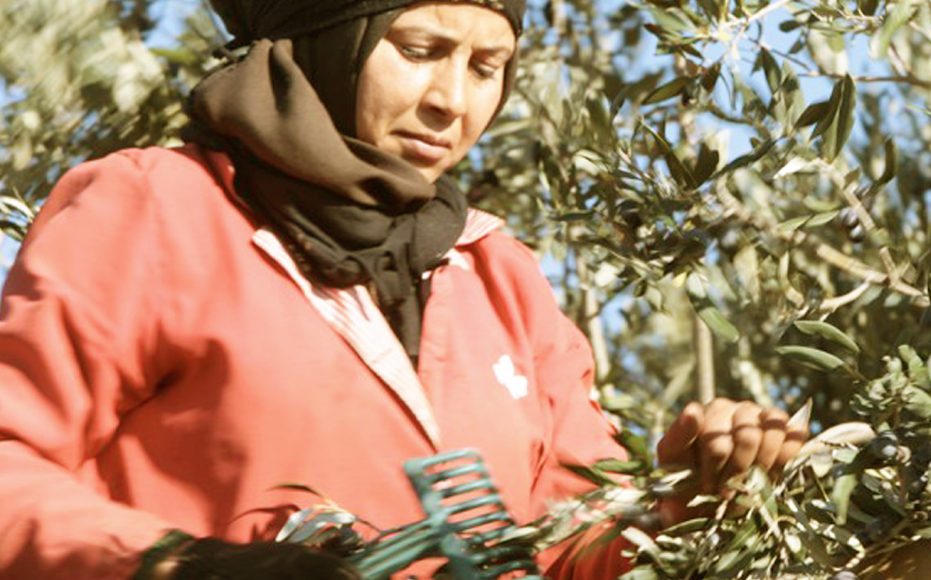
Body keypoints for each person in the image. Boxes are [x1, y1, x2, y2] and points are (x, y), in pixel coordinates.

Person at [0, 1, 808, 578]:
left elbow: (566, 546)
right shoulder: (158, 208)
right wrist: (180, 567)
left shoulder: (498, 272)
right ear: (326, 41)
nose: (452, 102)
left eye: (487, 67)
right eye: (420, 48)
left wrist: (687, 499)